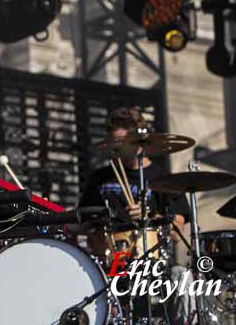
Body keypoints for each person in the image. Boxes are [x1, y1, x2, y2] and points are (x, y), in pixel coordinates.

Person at [78, 106, 193, 324]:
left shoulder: (163, 179)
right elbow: (85, 222)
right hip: (111, 264)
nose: (116, 148)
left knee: (183, 279)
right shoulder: (100, 177)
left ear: (139, 143)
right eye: (113, 143)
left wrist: (149, 216)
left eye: (121, 143)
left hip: (152, 263)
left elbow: (178, 232)